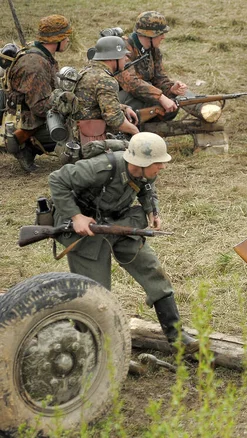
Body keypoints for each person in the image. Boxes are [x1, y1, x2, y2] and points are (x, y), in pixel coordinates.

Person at [48, 132, 198, 353]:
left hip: (118, 222)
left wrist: (151, 210)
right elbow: (57, 179)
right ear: (142, 162)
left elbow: (147, 188)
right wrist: (76, 217)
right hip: (87, 229)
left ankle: (176, 336)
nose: (162, 167)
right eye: (158, 163)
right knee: (94, 294)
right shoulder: (102, 167)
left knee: (152, 269)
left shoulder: (147, 172)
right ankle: (89, 351)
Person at [116, 11, 221, 123]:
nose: (163, 37)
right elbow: (131, 83)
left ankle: (203, 111)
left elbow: (160, 78)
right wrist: (161, 97)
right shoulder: (123, 48)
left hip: (140, 95)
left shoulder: (153, 51)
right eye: (160, 34)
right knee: (158, 102)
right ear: (150, 35)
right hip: (118, 100)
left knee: (175, 98)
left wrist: (171, 89)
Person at [4, 15, 73, 172]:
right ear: (56, 39)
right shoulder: (36, 65)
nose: (68, 40)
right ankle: (25, 145)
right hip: (28, 122)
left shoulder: (41, 55)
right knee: (75, 129)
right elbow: (40, 108)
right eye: (65, 36)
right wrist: (66, 100)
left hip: (31, 116)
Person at [71, 35, 139, 145]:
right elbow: (114, 119)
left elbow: (93, 103)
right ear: (112, 58)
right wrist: (135, 132)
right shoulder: (105, 80)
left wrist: (124, 108)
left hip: (76, 133)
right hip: (90, 139)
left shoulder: (88, 70)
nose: (126, 59)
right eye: (123, 55)